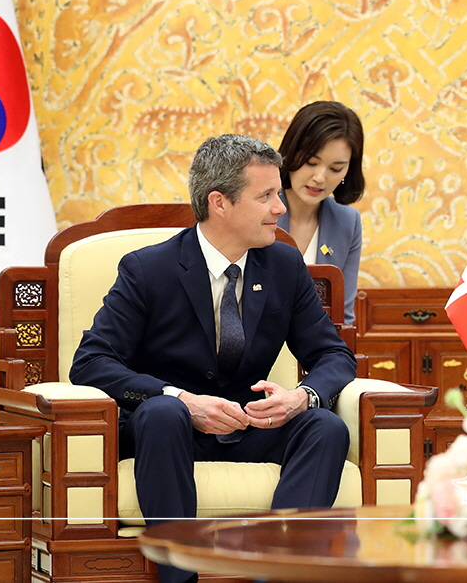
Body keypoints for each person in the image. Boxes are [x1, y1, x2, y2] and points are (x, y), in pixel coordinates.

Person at [70, 135, 357, 583]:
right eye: (265, 196)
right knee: (162, 411)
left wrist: (302, 397)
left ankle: (277, 573)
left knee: (325, 425)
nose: (281, 208)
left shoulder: (283, 266)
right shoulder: (149, 269)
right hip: (169, 434)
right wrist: (181, 399)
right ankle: (179, 577)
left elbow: (333, 354)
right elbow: (91, 361)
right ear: (219, 203)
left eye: (277, 194)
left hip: (247, 424)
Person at [276, 100, 365, 325]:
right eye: (311, 162)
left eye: (336, 169)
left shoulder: (348, 222)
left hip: (316, 354)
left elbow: (342, 315)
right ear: (290, 154)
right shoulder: (256, 211)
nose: (320, 178)